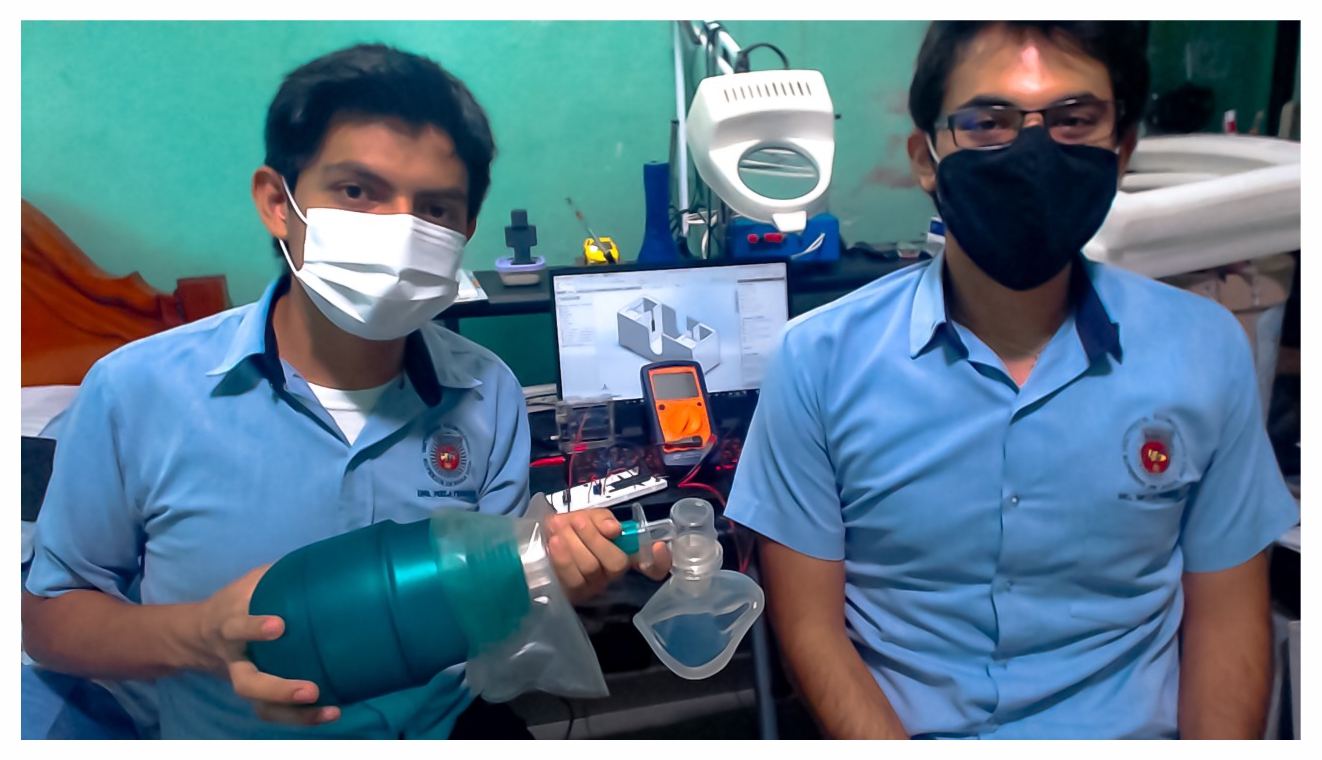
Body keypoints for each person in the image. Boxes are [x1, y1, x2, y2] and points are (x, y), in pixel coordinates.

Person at [21, 43, 669, 740]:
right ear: (279, 203)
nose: (399, 230)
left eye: (435, 208)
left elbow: (487, 609)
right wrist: (200, 635)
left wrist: (554, 576)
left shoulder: (489, 394)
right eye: (358, 192)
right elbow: (49, 622)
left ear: (464, 231)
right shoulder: (136, 391)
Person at [725, 21, 1299, 739]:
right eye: (988, 121)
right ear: (927, 158)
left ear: (1121, 150)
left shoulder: (1204, 350)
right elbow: (811, 630)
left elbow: (1228, 620)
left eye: (1074, 119)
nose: (1033, 151)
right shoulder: (815, 361)